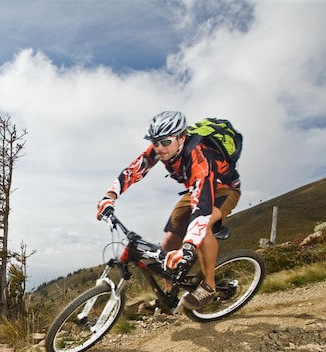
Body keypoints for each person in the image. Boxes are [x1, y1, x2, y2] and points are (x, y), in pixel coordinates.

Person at [96, 110, 241, 310]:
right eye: (155, 142)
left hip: (223, 189)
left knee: (203, 227)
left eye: (165, 142)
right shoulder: (159, 149)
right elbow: (134, 170)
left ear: (181, 137)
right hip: (196, 189)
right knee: (169, 241)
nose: (160, 148)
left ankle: (208, 286)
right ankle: (167, 297)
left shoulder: (200, 158)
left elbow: (202, 206)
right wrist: (110, 196)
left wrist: (188, 247)